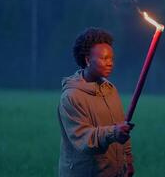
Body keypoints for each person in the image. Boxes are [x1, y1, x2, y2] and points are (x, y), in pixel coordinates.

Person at [57, 27, 135, 177]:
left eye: (111, 59)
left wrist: (128, 161)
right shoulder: (71, 97)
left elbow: (122, 127)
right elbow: (84, 138)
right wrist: (114, 132)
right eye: (104, 58)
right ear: (87, 60)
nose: (110, 63)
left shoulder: (110, 90)